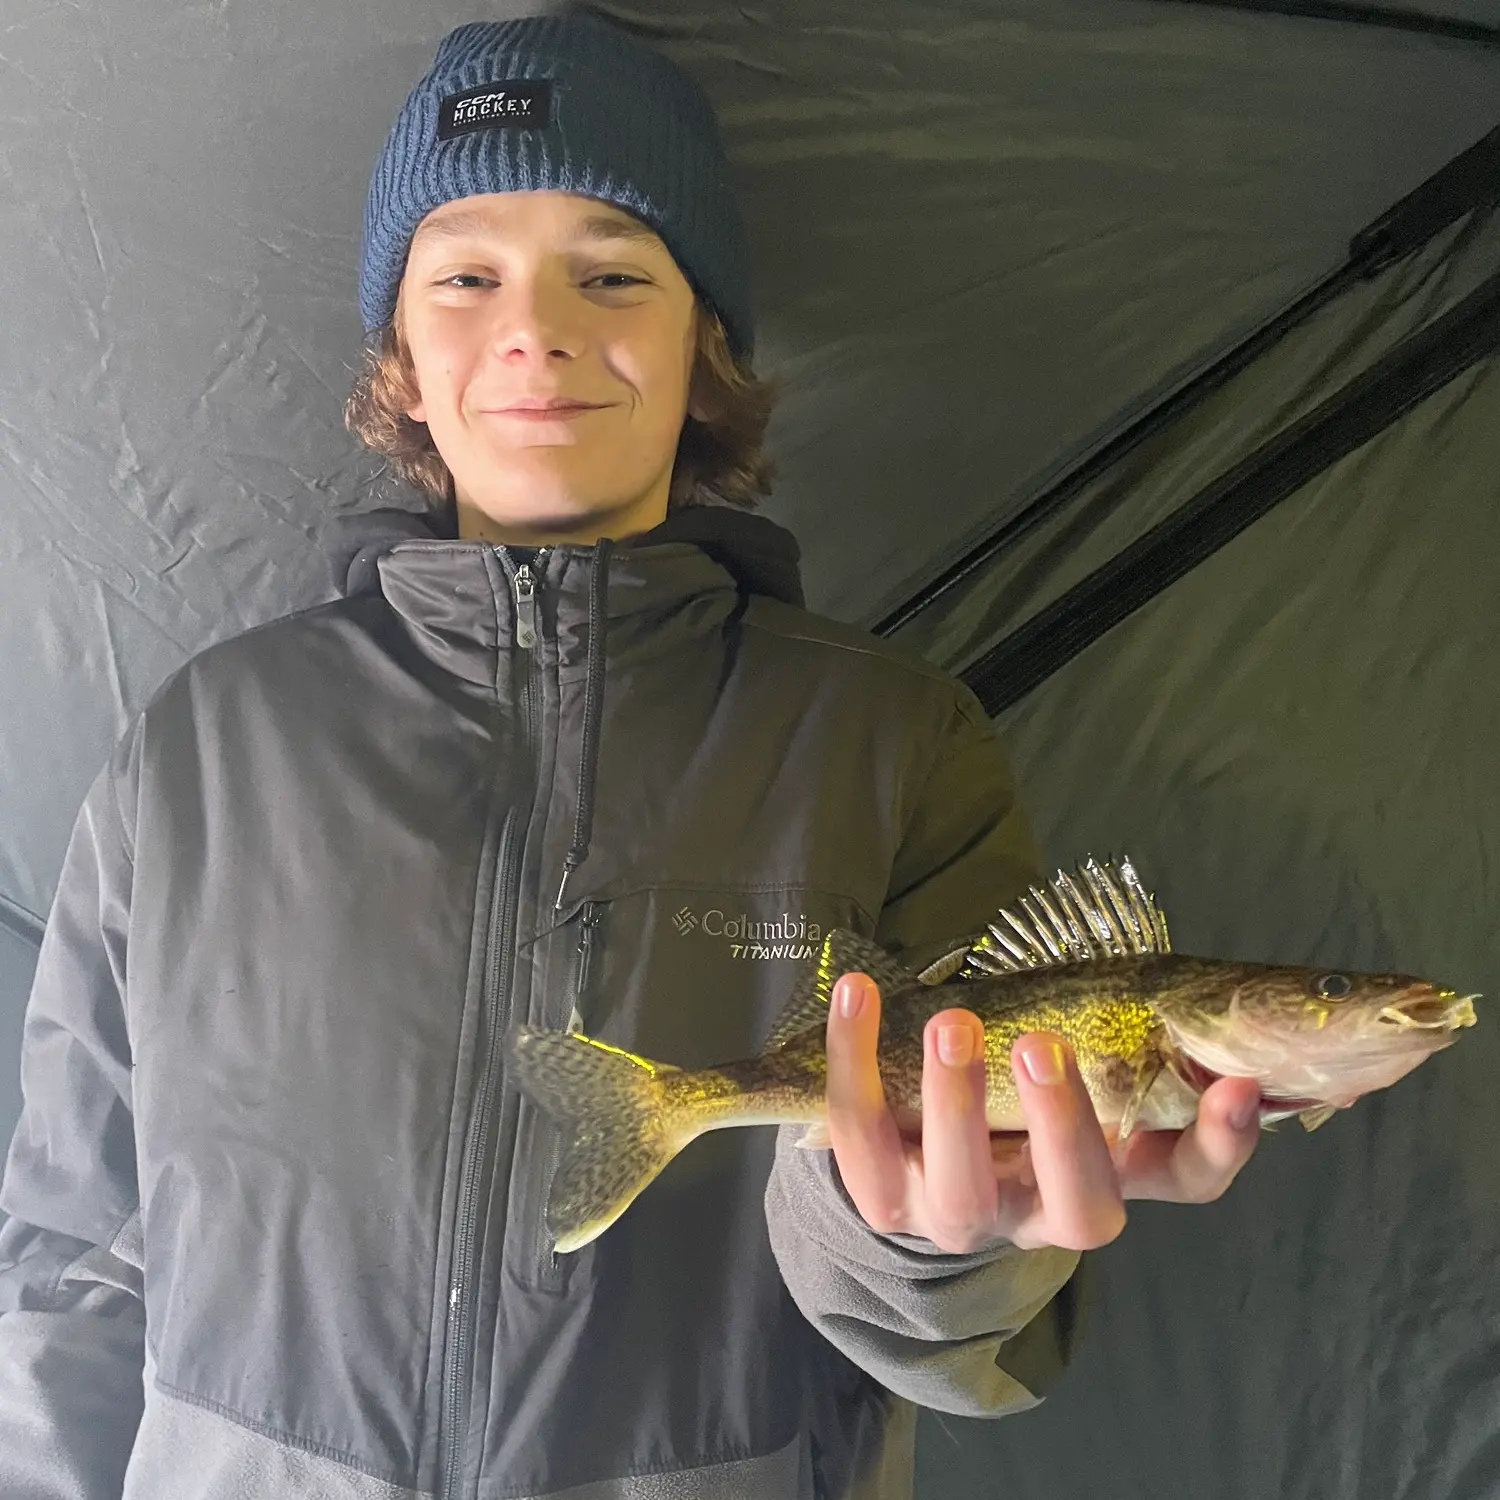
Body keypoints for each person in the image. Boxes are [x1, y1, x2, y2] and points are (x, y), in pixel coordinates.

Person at [0, 10, 1262, 1499]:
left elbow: (951, 1339)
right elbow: (80, 1248)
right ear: (398, 354)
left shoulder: (896, 744)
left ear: (702, 349)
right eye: (463, 277)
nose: (533, 328)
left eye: (613, 274)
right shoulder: (201, 746)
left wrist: (932, 1238)